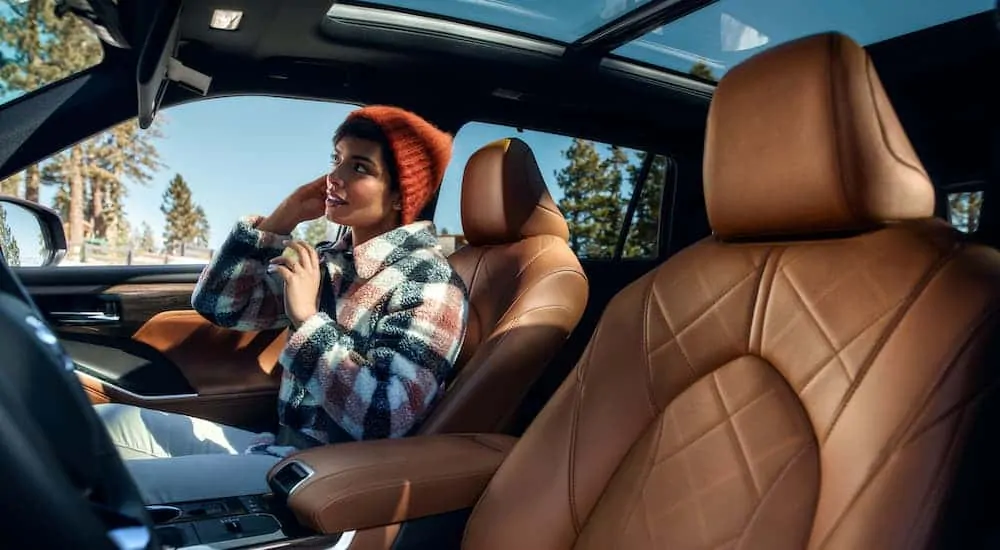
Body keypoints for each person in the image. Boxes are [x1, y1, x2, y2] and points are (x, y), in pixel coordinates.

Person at [95, 105, 470, 504]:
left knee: (111, 490)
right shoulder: (331, 263)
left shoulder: (429, 283)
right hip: (278, 449)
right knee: (99, 424)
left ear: (400, 196)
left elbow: (385, 419)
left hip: (328, 478)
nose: (335, 178)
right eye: (336, 159)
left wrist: (306, 320)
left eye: (359, 168)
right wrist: (283, 217)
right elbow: (219, 305)